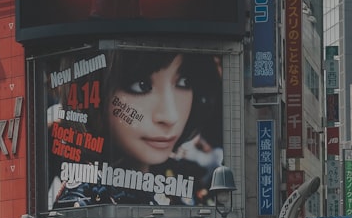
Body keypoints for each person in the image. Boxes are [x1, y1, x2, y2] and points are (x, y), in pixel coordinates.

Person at [51, 49, 223, 208]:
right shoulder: (84, 198)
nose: (170, 117)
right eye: (141, 85)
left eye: (184, 82)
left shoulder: (187, 179)